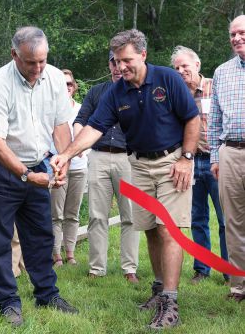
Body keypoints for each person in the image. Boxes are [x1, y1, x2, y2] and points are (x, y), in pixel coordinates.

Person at [51, 29, 200, 330]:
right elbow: (94, 129)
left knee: (169, 230)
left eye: (127, 60)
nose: (121, 68)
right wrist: (66, 155)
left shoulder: (167, 79)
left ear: (143, 55)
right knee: (150, 230)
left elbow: (192, 118)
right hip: (139, 164)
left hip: (173, 162)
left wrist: (186, 159)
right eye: (117, 62)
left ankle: (171, 304)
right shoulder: (116, 92)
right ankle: (159, 291)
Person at [0, 26, 78, 327]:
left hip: (38, 164)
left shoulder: (54, 81)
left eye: (42, 61)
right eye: (30, 62)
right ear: (14, 55)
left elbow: (61, 125)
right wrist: (25, 175)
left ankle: (47, 294)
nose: (38, 68)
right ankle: (8, 303)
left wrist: (63, 161)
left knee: (40, 235)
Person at [73, 51, 140, 283]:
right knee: (96, 215)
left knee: (130, 215)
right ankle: (96, 268)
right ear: (109, 64)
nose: (117, 67)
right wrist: (77, 144)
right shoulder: (96, 92)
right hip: (99, 156)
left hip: (127, 159)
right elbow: (80, 120)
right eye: (113, 62)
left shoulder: (136, 91)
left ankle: (129, 268)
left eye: (121, 62)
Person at [171, 45, 229, 285]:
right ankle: (202, 268)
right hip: (191, 163)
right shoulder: (176, 94)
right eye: (177, 68)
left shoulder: (216, 87)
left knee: (226, 219)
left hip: (218, 160)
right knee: (197, 218)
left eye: (185, 65)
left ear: (197, 65)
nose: (181, 71)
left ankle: (229, 270)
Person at [208, 14, 245, 302]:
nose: (236, 38)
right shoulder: (221, 72)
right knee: (234, 222)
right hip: (230, 153)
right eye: (233, 34)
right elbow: (215, 119)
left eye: (241, 33)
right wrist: (214, 158)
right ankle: (239, 287)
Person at [49, 69, 88, 267]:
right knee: (56, 214)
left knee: (72, 213)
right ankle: (56, 257)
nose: (66, 88)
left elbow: (90, 134)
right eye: (62, 84)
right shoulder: (50, 109)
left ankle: (70, 255)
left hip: (80, 167)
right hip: (57, 167)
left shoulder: (81, 109)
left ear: (74, 87)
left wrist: (82, 150)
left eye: (69, 84)